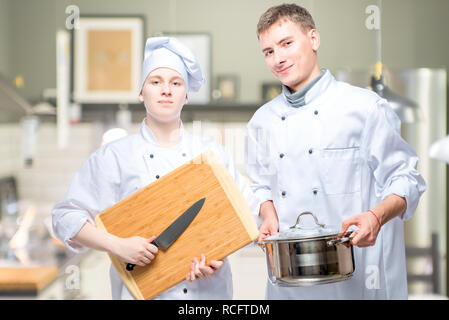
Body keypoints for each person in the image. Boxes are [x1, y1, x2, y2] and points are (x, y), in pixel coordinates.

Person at [52, 37, 262, 300]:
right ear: (141, 92)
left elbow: (249, 214)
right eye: (156, 81)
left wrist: (217, 255)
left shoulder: (211, 155)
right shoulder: (114, 156)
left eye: (176, 83)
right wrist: (118, 246)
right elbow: (64, 218)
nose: (166, 90)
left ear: (186, 96)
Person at [246, 3, 426, 299]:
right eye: (268, 51)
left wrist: (376, 216)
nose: (278, 58)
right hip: (290, 284)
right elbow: (260, 186)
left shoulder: (365, 108)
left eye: (286, 44)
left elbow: (407, 179)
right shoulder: (261, 122)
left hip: (357, 282)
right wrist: (267, 215)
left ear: (313, 39)